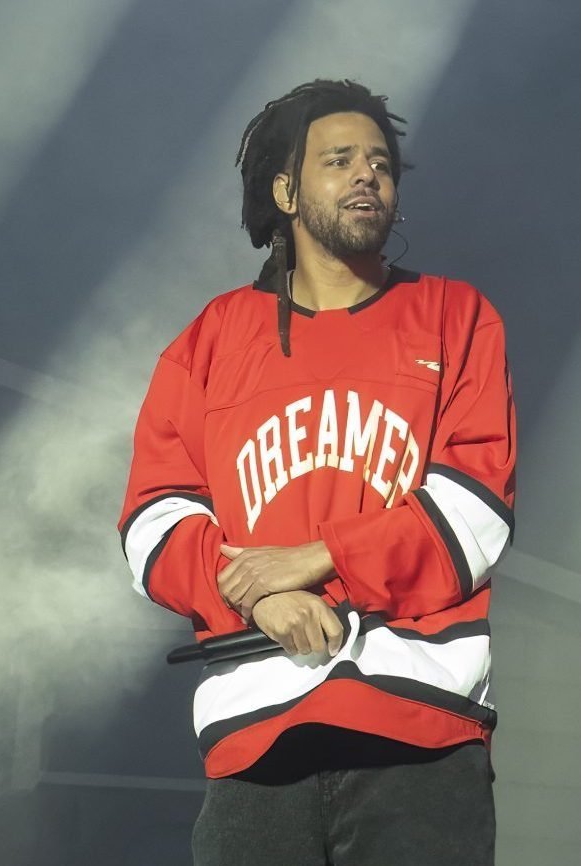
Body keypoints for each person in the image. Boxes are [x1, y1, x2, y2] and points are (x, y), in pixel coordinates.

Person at [118, 79, 516, 865]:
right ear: (284, 192)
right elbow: (152, 523)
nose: (367, 174)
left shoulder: (457, 317)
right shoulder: (210, 340)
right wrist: (259, 596)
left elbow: (475, 510)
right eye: (338, 160)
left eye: (381, 163)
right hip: (256, 731)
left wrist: (317, 557)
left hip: (421, 730)